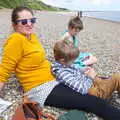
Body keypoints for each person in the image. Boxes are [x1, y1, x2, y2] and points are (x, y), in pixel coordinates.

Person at [0, 6, 120, 120]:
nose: (30, 23)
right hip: (42, 87)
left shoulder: (31, 36)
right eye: (24, 21)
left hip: (55, 77)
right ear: (15, 25)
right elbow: (4, 70)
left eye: (32, 20)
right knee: (95, 102)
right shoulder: (15, 39)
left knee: (101, 80)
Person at [52, 39, 120, 99]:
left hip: (90, 82)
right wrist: (90, 77)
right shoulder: (62, 73)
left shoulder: (64, 64)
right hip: (93, 91)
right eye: (72, 61)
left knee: (116, 79)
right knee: (117, 77)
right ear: (62, 60)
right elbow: (82, 89)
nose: (73, 62)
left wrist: (84, 69)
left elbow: (74, 67)